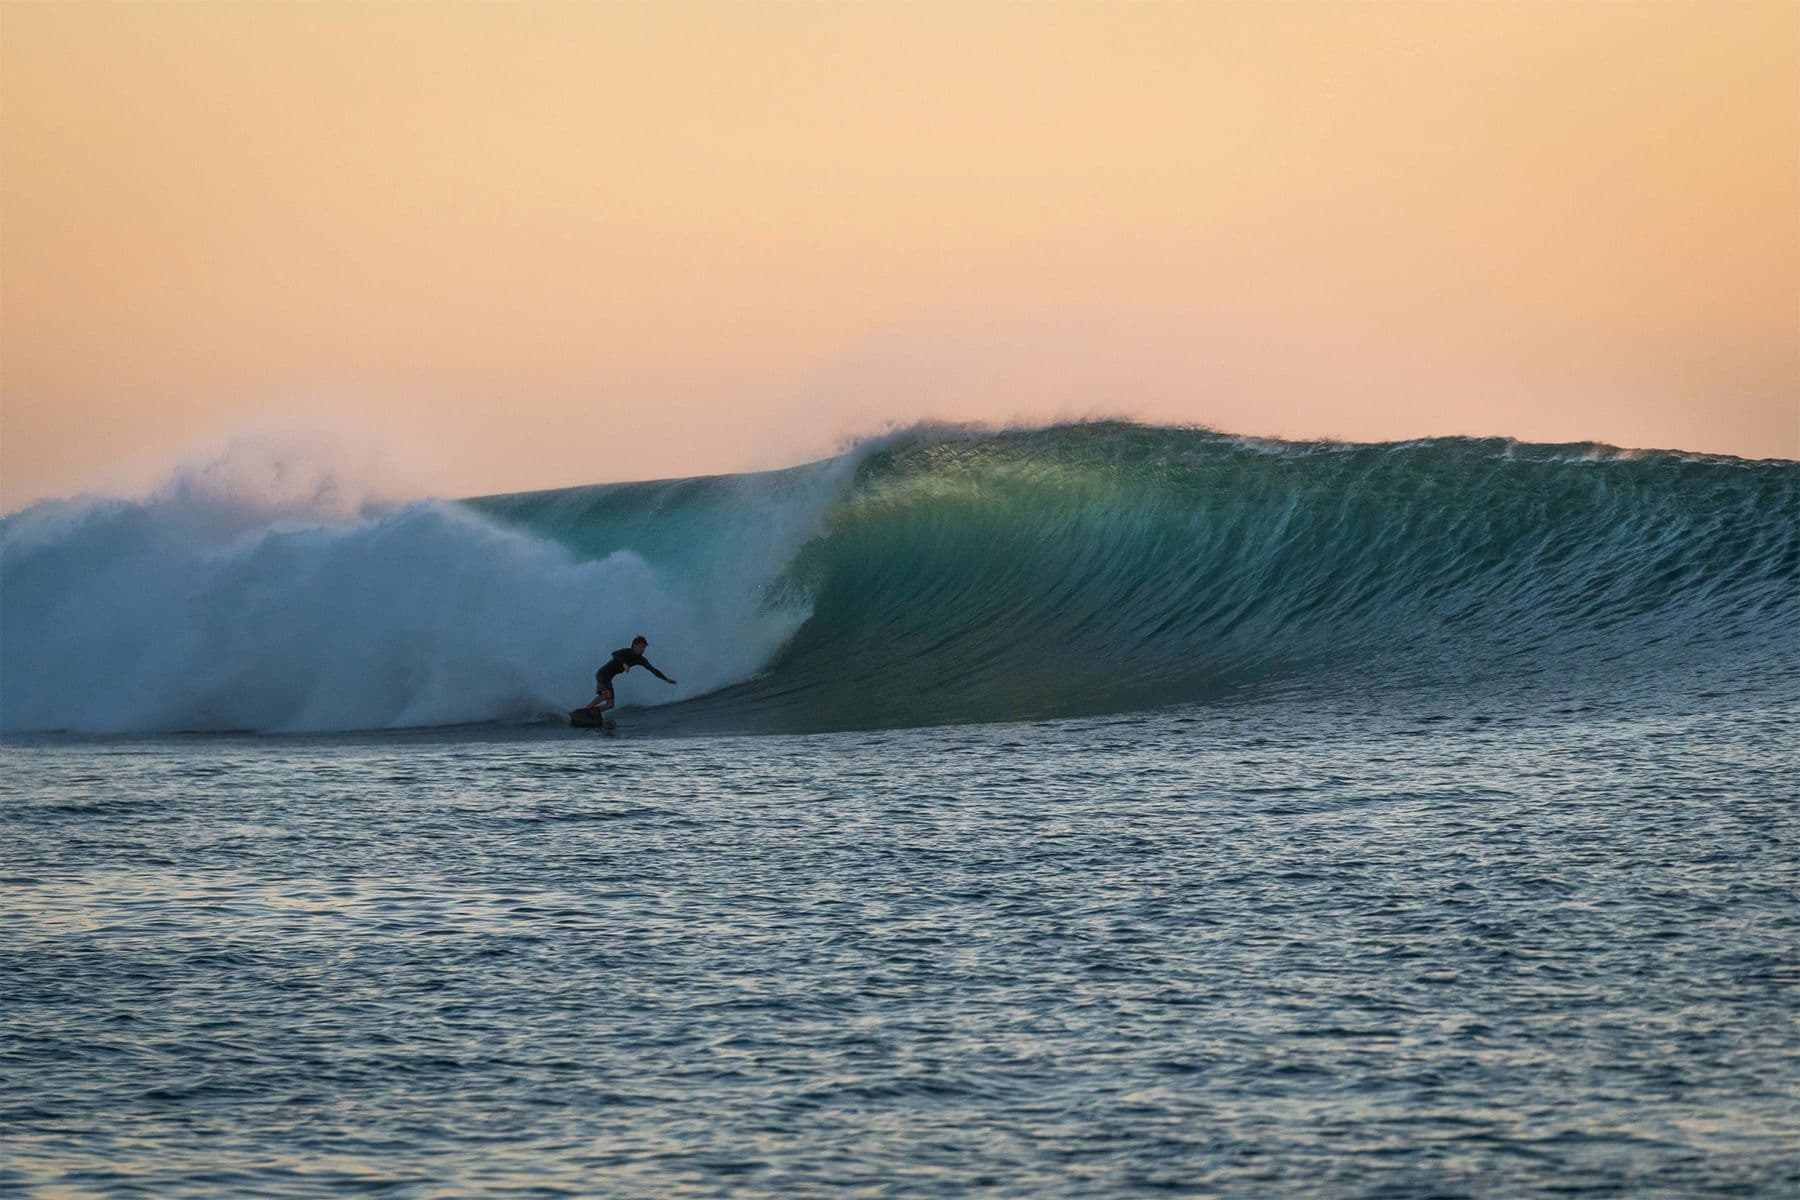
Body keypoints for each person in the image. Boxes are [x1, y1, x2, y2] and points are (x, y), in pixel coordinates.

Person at [582, 635, 677, 716]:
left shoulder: (640, 659)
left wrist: (666, 679)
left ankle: (593, 713)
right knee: (606, 694)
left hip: (608, 679)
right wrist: (624, 663)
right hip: (602, 674)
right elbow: (615, 654)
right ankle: (585, 710)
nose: (643, 650)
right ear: (634, 646)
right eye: (641, 647)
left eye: (644, 648)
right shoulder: (627, 652)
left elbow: (653, 670)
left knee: (610, 704)